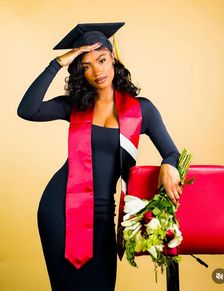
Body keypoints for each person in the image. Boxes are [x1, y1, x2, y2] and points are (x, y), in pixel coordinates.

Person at [17, 22, 182, 291]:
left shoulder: (142, 111)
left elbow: (172, 152)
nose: (97, 71)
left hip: (103, 213)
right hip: (61, 208)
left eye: (102, 60)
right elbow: (27, 110)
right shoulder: (75, 106)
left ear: (113, 57)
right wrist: (57, 63)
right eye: (87, 66)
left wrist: (168, 166)